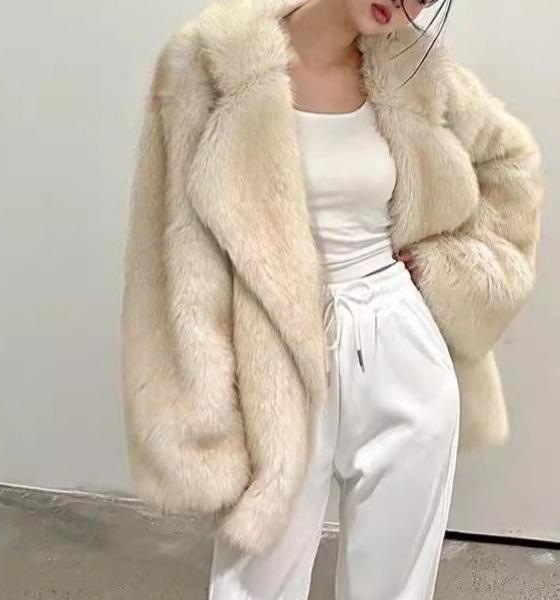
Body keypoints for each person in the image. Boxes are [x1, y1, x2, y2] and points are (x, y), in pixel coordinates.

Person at [119, 0, 544, 598]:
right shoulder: (209, 63)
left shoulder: (414, 69)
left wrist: (450, 271)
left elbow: (512, 163)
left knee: (394, 587)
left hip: (401, 346)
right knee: (254, 584)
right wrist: (200, 407)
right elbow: (172, 256)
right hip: (276, 356)